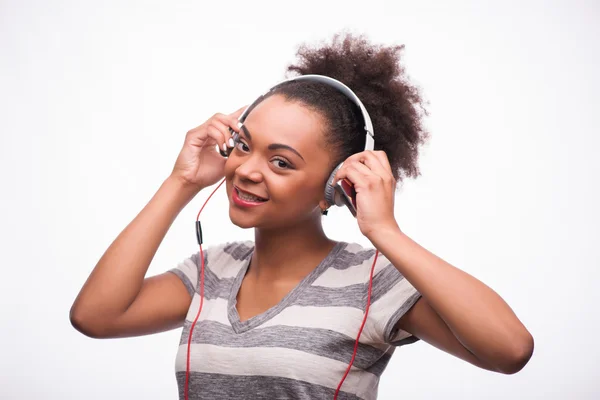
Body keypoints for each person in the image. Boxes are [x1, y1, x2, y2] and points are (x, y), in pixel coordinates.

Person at [69, 32, 534, 400]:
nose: (247, 171)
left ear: (335, 184)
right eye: (245, 146)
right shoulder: (211, 271)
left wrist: (383, 230)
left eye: (281, 162)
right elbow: (95, 317)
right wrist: (181, 182)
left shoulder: (373, 283)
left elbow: (509, 351)